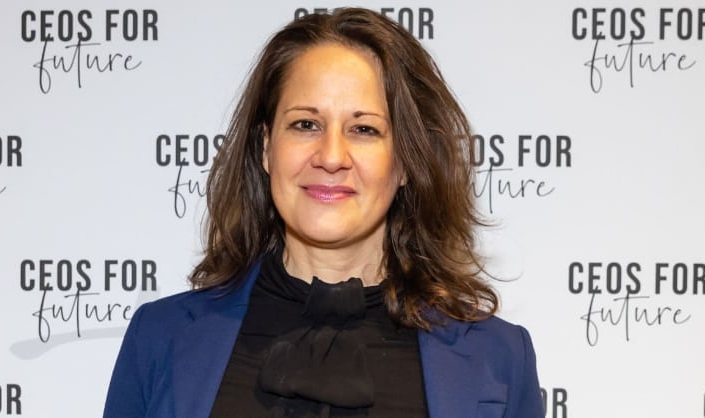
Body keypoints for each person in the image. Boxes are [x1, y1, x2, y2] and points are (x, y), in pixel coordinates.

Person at [104, 7, 542, 418]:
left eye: (364, 129)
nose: (331, 156)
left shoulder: (498, 358)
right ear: (266, 148)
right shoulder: (161, 337)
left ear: (406, 162)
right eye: (305, 125)